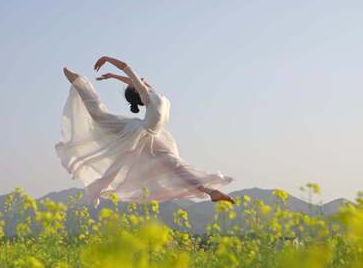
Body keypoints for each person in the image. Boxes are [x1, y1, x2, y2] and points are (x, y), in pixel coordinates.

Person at [55, 56, 234, 207]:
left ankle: (211, 192)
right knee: (99, 118)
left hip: (152, 137)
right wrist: (107, 59)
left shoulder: (151, 93)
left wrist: (113, 76)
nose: (141, 81)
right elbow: (127, 68)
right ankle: (78, 81)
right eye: (138, 83)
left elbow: (133, 80)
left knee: (177, 168)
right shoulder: (150, 96)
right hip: (140, 132)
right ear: (137, 90)